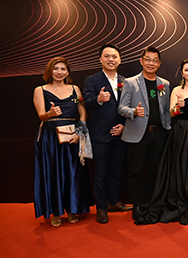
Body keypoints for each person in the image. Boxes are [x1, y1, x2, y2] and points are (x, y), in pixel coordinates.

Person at [136, 59, 188, 225]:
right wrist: (178, 106)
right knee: (182, 167)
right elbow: (171, 113)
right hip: (181, 132)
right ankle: (182, 200)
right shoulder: (177, 90)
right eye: (187, 70)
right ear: (182, 73)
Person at [33, 57, 93, 227]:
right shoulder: (40, 90)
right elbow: (41, 115)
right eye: (56, 68)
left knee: (73, 173)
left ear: (68, 72)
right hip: (50, 138)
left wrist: (80, 133)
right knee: (53, 174)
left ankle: (73, 209)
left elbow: (82, 113)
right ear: (50, 71)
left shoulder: (75, 89)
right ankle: (56, 212)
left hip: (72, 136)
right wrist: (50, 114)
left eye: (63, 69)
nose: (59, 72)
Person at [118, 47, 171, 222]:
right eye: (148, 59)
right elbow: (121, 108)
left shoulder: (165, 84)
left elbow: (166, 110)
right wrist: (134, 112)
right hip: (137, 135)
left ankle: (150, 203)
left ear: (159, 63)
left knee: (154, 172)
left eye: (155, 60)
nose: (151, 63)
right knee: (135, 172)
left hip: (159, 135)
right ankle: (137, 206)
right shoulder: (130, 82)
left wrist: (168, 129)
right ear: (141, 61)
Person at [83, 44, 132, 224]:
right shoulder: (92, 80)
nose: (111, 59)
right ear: (100, 59)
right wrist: (98, 99)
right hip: (100, 134)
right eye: (107, 56)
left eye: (114, 56)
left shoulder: (126, 81)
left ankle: (113, 201)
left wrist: (124, 126)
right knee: (100, 172)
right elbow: (86, 103)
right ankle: (101, 207)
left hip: (120, 133)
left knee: (116, 170)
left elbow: (129, 106)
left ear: (120, 59)